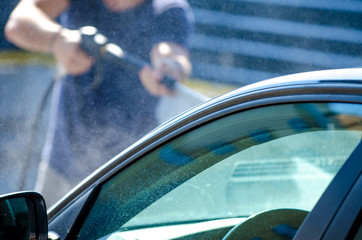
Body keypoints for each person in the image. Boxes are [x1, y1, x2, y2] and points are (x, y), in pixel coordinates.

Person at [5, 0, 193, 205]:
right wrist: (57, 39)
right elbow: (18, 22)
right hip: (61, 164)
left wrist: (168, 68)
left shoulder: (168, 8)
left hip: (126, 173)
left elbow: (173, 55)